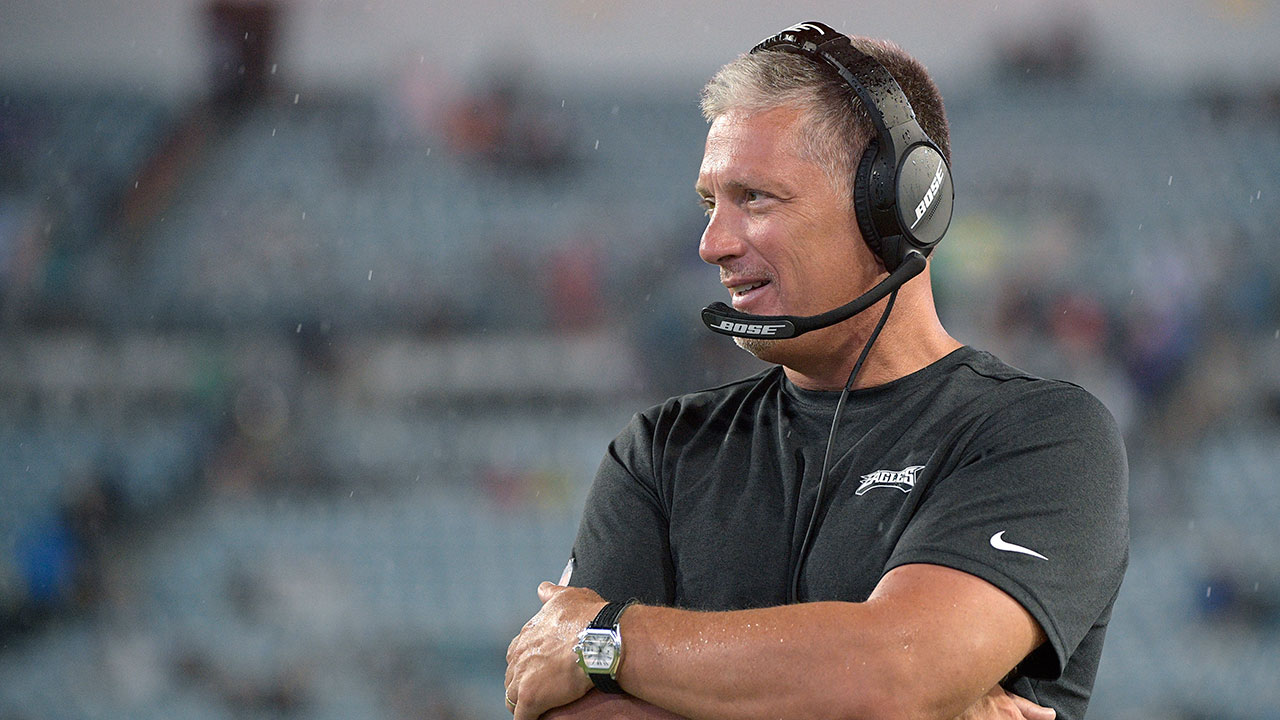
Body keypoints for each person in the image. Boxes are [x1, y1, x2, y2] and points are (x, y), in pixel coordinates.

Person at [505, 22, 1127, 720]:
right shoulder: (660, 452)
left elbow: (894, 673)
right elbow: (571, 711)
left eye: (754, 198)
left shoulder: (1045, 435)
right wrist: (870, 692)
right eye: (711, 203)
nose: (712, 243)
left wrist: (605, 640)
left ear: (896, 205)